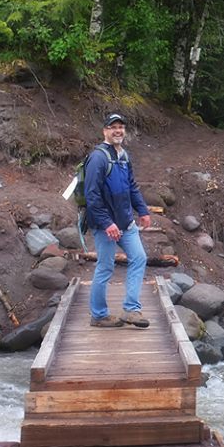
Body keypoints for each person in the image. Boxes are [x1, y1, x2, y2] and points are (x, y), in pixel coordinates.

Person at [85, 112, 153, 328]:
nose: (118, 130)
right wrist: (107, 223)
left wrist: (142, 211)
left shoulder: (123, 155)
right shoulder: (98, 157)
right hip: (105, 225)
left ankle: (131, 310)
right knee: (105, 267)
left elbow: (131, 186)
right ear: (105, 130)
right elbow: (91, 195)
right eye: (113, 127)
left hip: (126, 223)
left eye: (121, 127)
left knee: (139, 257)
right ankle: (99, 315)